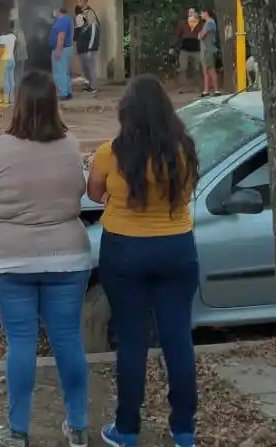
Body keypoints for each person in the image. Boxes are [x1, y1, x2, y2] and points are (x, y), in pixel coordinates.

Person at [0, 70, 92, 447]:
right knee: (68, 339)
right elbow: (80, 191)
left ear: (18, 104)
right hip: (67, 257)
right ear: (54, 105)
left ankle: (18, 430)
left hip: (9, 261)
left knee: (21, 342)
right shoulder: (71, 145)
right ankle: (77, 425)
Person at [87, 75, 200, 447]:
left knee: (132, 341)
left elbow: (94, 191)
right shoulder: (184, 149)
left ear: (126, 113)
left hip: (125, 251)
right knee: (177, 339)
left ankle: (127, 430)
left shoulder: (110, 153)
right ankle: (183, 430)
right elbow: (186, 191)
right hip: (176, 248)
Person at [73, 0, 101, 95]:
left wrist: (91, 47)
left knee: (91, 67)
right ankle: (89, 85)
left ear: (85, 1)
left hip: (89, 47)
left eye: (80, 1)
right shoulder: (79, 14)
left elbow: (94, 30)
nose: (78, 3)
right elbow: (77, 31)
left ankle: (93, 87)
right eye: (77, 1)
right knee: (84, 67)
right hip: (81, 47)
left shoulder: (90, 13)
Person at [172, 8, 203, 91]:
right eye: (190, 12)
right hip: (185, 49)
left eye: (193, 12)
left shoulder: (199, 23)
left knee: (197, 68)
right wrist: (172, 46)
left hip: (196, 49)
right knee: (183, 68)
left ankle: (198, 87)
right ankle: (183, 87)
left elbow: (202, 33)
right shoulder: (183, 23)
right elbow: (177, 35)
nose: (191, 14)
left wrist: (195, 24)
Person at [49, 6, 74, 100]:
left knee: (60, 72)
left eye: (55, 10)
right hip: (66, 48)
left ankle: (63, 93)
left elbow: (61, 36)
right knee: (66, 72)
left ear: (59, 11)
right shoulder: (65, 20)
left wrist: (58, 50)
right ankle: (68, 92)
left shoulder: (62, 20)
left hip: (61, 49)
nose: (53, 12)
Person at [198, 9, 220, 97]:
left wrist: (200, 34)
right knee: (205, 70)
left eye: (202, 13)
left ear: (206, 13)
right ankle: (206, 91)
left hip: (208, 49)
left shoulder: (210, 23)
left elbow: (201, 35)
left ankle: (216, 90)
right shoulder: (207, 23)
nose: (200, 15)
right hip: (205, 49)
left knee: (210, 70)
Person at [0, 22, 18, 105]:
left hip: (4, 60)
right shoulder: (13, 37)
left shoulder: (2, 38)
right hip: (12, 60)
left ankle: (5, 100)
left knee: (5, 81)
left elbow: (1, 51)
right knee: (11, 79)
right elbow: (15, 47)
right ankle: (11, 99)